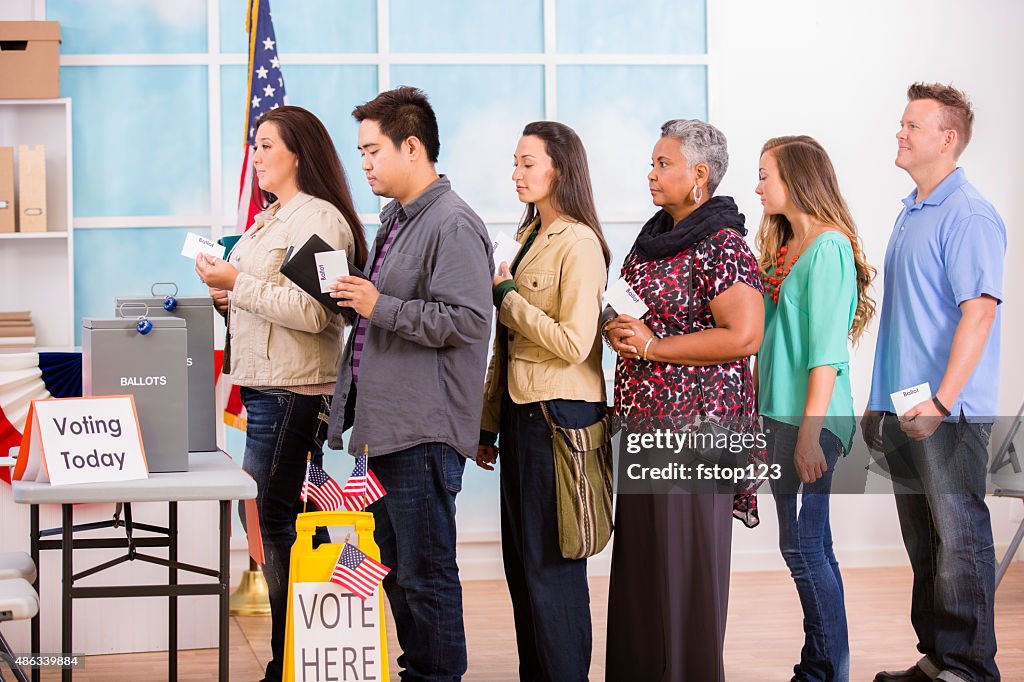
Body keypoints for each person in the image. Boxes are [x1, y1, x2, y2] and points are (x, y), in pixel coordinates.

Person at [325, 86, 493, 681]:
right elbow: (385, 314)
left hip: (422, 430)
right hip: (384, 429)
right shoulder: (396, 220)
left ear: (412, 146)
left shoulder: (452, 224)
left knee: (426, 573)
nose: (364, 164)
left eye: (372, 151)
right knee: (395, 568)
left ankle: (437, 675)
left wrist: (379, 304)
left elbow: (470, 321)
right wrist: (355, 302)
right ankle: (419, 670)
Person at [195, 105, 367, 682]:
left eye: (267, 146)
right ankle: (295, 653)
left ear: (299, 152)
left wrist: (237, 284)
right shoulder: (270, 219)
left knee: (274, 523)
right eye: (255, 146)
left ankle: (287, 660)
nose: (258, 156)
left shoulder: (318, 220)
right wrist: (229, 294)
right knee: (272, 521)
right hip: (268, 389)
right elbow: (267, 299)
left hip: (294, 391)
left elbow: (321, 315)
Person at [603, 119, 764, 682]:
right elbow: (644, 319)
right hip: (648, 427)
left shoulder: (723, 243)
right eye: (652, 162)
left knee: (682, 572)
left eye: (663, 164)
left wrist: (653, 345)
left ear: (699, 175)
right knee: (644, 570)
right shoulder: (655, 236)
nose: (651, 173)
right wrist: (620, 331)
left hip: (696, 431)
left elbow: (744, 335)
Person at [862, 83, 1005, 682]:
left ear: (946, 140)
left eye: (912, 126)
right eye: (901, 123)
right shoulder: (913, 210)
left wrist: (943, 400)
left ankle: (970, 667)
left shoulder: (969, 214)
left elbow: (981, 313)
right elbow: (909, 316)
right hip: (899, 407)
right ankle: (938, 657)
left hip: (947, 412)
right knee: (924, 544)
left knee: (960, 539)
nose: (900, 132)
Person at [474, 121, 610, 681]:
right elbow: (503, 351)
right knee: (521, 566)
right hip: (520, 416)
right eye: (515, 162)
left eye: (527, 163)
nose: (516, 173)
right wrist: (487, 425)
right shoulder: (526, 236)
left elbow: (575, 343)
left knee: (553, 569)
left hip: (560, 418)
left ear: (560, 168)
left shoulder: (578, 242)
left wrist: (508, 299)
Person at [755, 135, 876, 682]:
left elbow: (826, 353)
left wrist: (809, 436)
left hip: (815, 422)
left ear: (797, 180)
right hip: (780, 417)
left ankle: (829, 670)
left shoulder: (829, 249)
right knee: (805, 544)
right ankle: (819, 665)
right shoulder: (785, 249)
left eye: (766, 175)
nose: (758, 186)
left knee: (804, 544)